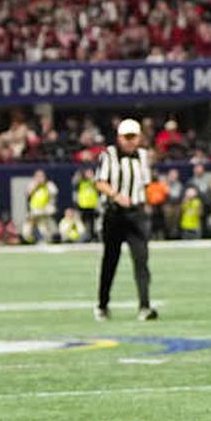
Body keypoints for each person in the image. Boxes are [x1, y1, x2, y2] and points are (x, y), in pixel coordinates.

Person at [95, 118, 157, 321]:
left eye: (134, 137)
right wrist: (116, 195)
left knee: (141, 260)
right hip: (114, 213)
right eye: (127, 137)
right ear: (119, 137)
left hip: (136, 214)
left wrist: (147, 204)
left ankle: (145, 306)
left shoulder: (143, 156)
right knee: (110, 261)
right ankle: (102, 304)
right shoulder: (108, 155)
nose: (130, 141)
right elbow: (100, 182)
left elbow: (146, 185)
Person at [26, 169, 59, 243]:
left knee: (46, 230)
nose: (40, 178)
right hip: (34, 212)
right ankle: (36, 240)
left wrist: (49, 209)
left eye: (41, 176)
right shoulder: (32, 184)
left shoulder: (49, 185)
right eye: (38, 176)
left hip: (45, 212)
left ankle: (47, 239)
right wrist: (36, 186)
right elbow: (28, 194)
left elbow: (54, 195)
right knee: (27, 232)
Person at [73, 168, 100, 240]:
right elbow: (75, 182)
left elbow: (99, 187)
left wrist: (92, 178)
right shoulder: (80, 182)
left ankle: (94, 236)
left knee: (94, 223)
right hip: (82, 206)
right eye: (87, 173)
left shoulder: (95, 182)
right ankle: (84, 237)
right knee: (83, 223)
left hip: (93, 205)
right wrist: (81, 174)